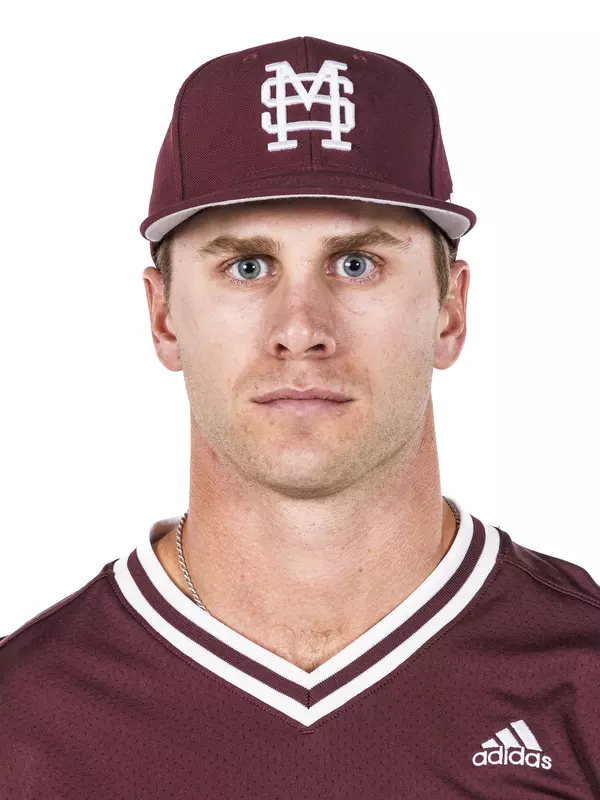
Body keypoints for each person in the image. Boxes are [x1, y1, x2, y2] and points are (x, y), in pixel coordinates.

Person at [1, 35, 599, 799]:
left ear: (450, 313)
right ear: (163, 319)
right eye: (246, 266)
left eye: (357, 263)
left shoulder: (584, 683)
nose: (301, 326)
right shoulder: (22, 717)